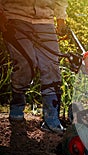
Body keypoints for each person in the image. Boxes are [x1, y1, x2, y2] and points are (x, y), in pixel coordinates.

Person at [0, 0, 69, 135]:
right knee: (26, 63)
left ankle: (51, 118)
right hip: (15, 16)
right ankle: (17, 103)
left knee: (51, 65)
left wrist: (61, 18)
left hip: (45, 20)